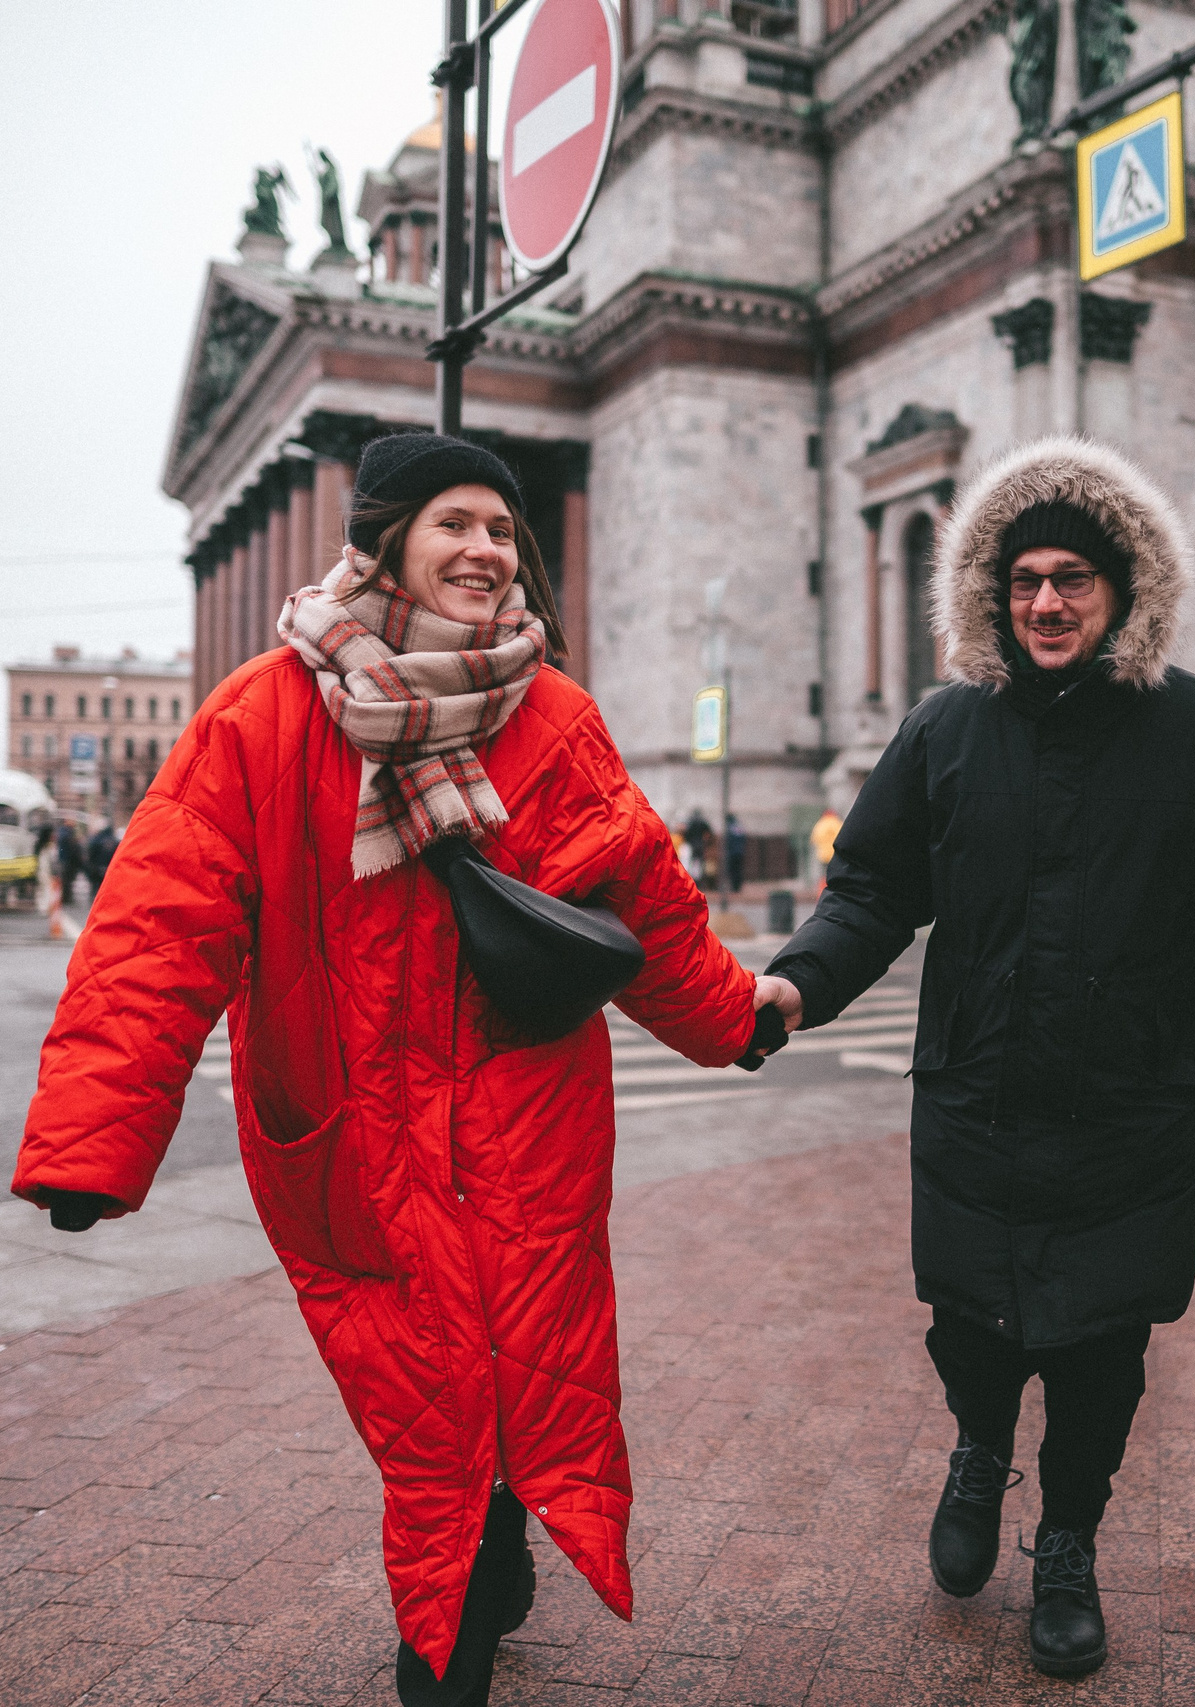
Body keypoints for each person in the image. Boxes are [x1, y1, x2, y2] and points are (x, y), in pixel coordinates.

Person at [13, 433, 773, 1707]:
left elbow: (642, 897)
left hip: (528, 1123)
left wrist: (734, 1019)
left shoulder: (554, 714)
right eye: (451, 524)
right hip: (353, 1130)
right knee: (420, 1379)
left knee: (521, 1352)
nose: (485, 550)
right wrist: (93, 1142)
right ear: (385, 543)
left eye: (500, 529)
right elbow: (156, 928)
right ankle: (473, 1553)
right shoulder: (263, 714)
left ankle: (464, 1593)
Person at [749, 437, 1195, 1680]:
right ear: (992, 594)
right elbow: (872, 890)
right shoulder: (945, 730)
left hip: (1131, 1104)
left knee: (1101, 1352)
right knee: (971, 1328)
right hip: (979, 1092)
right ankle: (975, 1452)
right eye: (1023, 582)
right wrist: (795, 985)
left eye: (1071, 579)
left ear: (1123, 590)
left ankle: (1066, 1543)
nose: (1046, 602)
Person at [83, 819, 119, 900]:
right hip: (110, 869)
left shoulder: (96, 840)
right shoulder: (115, 841)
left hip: (97, 868)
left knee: (96, 888)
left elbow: (91, 854)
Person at [54, 819, 84, 904]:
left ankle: (66, 898)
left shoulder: (66, 832)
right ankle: (66, 898)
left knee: (67, 881)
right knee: (66, 880)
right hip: (67, 860)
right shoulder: (66, 833)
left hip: (67, 860)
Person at [682, 807, 712, 888]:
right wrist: (706, 840)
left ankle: (692, 881)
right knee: (700, 863)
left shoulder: (691, 822)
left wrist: (688, 840)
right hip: (700, 844)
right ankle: (699, 881)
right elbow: (709, 832)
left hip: (692, 844)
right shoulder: (702, 822)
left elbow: (686, 834)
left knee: (692, 862)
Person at [724, 812, 747, 894]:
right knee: (739, 869)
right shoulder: (739, 826)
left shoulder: (729, 827)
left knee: (733, 870)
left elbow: (728, 840)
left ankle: (734, 887)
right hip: (740, 851)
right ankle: (738, 886)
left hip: (732, 852)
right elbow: (744, 838)